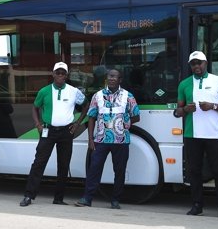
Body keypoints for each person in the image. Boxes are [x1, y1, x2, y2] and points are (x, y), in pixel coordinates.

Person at [174, 50, 218, 218]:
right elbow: (177, 112)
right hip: (192, 135)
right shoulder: (184, 84)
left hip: (214, 134)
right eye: (193, 63)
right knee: (194, 171)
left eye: (199, 63)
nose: (196, 66)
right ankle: (197, 205)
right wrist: (185, 109)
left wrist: (213, 106)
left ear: (206, 63)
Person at [20, 61, 86, 207]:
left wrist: (77, 123)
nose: (60, 76)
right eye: (58, 73)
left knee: (63, 164)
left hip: (66, 131)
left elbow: (86, 105)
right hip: (48, 130)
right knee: (39, 162)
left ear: (67, 75)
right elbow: (35, 108)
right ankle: (28, 196)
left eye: (63, 73)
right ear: (53, 74)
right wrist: (37, 124)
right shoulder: (44, 91)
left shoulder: (74, 91)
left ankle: (58, 198)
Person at [76, 69, 141, 209]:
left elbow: (137, 116)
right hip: (101, 139)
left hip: (121, 140)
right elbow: (91, 117)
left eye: (115, 77)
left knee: (119, 170)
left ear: (120, 80)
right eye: (109, 76)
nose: (111, 79)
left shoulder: (128, 96)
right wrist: (91, 139)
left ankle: (115, 200)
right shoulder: (97, 96)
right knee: (94, 168)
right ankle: (87, 198)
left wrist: (127, 122)